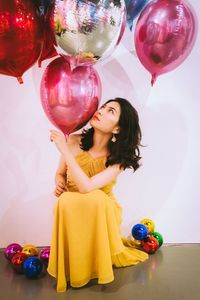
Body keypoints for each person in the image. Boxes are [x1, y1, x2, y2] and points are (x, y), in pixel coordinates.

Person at [48, 97, 148, 292]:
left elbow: (87, 187)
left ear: (117, 129)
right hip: (75, 208)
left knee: (95, 197)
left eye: (111, 111)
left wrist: (63, 148)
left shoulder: (118, 160)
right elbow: (60, 173)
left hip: (103, 210)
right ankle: (74, 266)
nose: (101, 111)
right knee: (67, 199)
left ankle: (92, 266)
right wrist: (59, 182)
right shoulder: (74, 140)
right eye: (103, 107)